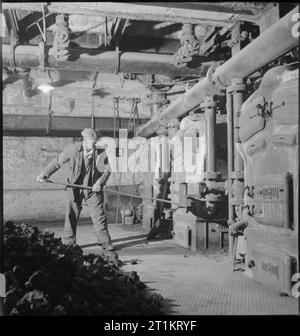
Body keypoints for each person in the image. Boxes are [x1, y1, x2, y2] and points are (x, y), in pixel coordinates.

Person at [37, 128, 115, 253]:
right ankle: (68, 242)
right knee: (71, 214)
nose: (95, 145)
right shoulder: (72, 149)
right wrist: (45, 174)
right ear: (85, 140)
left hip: (92, 189)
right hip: (74, 188)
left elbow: (107, 170)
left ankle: (105, 241)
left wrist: (100, 182)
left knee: (99, 215)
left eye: (96, 142)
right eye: (92, 142)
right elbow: (57, 162)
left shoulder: (101, 152)